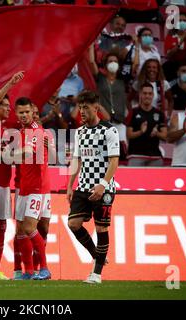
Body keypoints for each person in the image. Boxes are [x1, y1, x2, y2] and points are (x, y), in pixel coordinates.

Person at [67, 90, 120, 284]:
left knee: (101, 228)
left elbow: (114, 161)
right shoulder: (80, 132)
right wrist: (69, 186)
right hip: (83, 186)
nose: (82, 111)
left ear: (95, 108)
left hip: (103, 188)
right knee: (73, 224)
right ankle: (97, 256)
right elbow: (76, 159)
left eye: (86, 107)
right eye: (80, 107)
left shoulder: (109, 130)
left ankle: (96, 274)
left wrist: (103, 185)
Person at [0, 71, 24, 280]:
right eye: (5, 106)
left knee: (1, 226)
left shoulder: (11, 130)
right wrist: (10, 83)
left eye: (10, 108)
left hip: (4, 184)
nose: (8, 110)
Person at [13, 96, 52, 280]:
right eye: (21, 112)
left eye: (27, 112)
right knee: (20, 229)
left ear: (33, 113)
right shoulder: (22, 131)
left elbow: (28, 153)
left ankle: (44, 268)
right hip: (23, 186)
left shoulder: (35, 131)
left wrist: (5, 154)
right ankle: (28, 271)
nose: (25, 115)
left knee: (30, 227)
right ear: (16, 114)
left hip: (37, 186)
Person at [126, 83, 167, 166]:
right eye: (144, 93)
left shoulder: (159, 113)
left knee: (157, 179)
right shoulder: (133, 112)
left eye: (150, 93)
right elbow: (129, 135)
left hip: (155, 156)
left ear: (153, 95)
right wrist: (141, 131)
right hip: (136, 156)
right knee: (134, 179)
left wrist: (157, 133)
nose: (147, 96)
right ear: (140, 95)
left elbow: (165, 136)